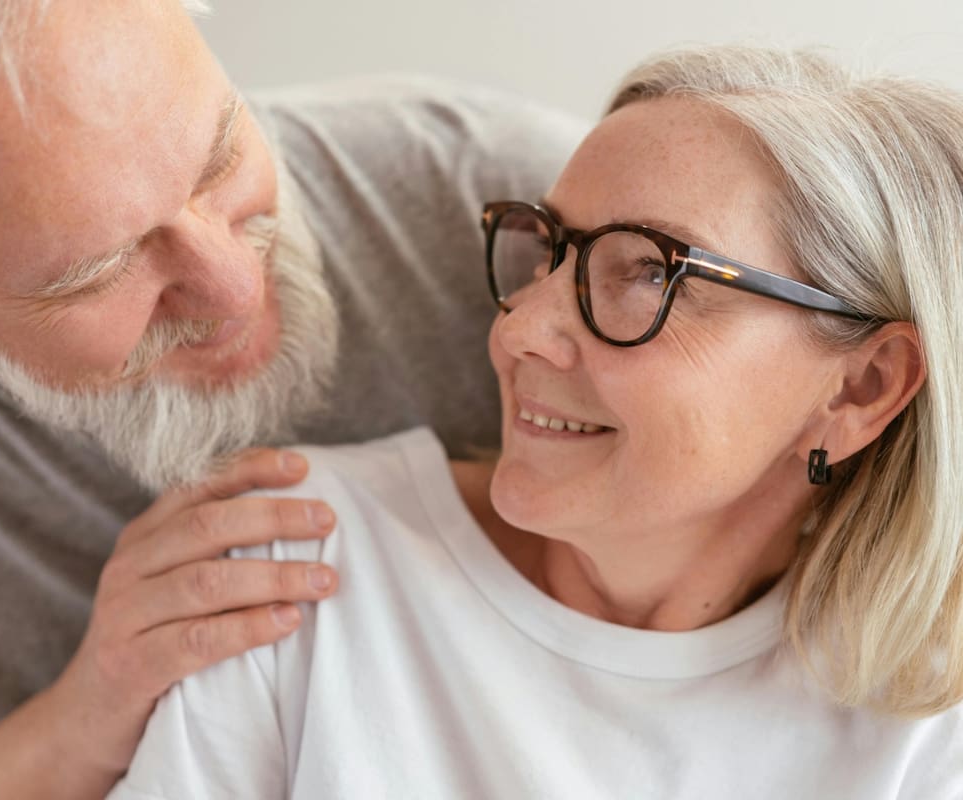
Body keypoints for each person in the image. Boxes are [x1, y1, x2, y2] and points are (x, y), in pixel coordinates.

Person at [0, 1, 587, 798]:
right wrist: (81, 724)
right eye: (101, 268)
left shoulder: (512, 215)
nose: (232, 289)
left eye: (220, 158)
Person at [108, 46, 963, 799]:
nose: (517, 331)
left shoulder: (922, 726)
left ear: (862, 388)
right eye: (551, 250)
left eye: (648, 275)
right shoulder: (302, 556)